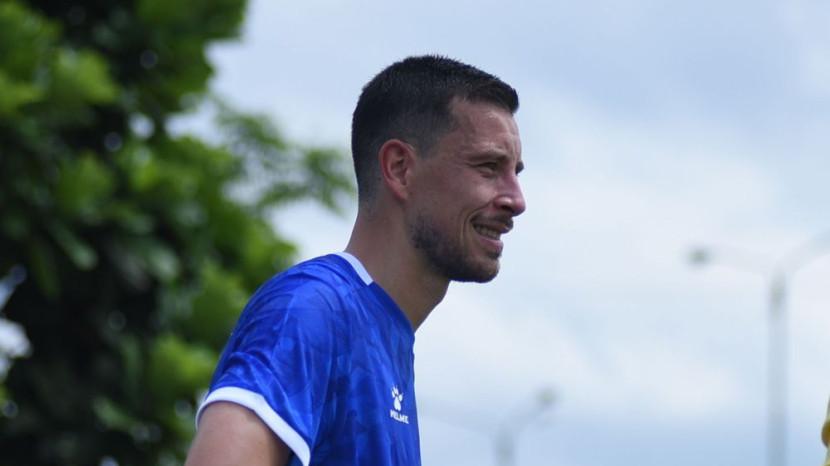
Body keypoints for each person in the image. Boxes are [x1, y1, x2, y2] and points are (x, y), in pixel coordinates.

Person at [184, 55, 526, 466]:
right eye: (488, 167)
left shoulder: (385, 339)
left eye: (516, 172)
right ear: (400, 168)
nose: (517, 200)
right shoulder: (310, 310)